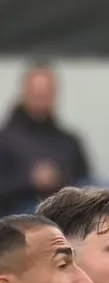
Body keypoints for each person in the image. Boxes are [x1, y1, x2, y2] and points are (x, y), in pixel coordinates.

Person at [0, 67, 90, 217]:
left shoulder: (69, 142)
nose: (41, 98)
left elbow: (85, 183)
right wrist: (29, 181)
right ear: (24, 92)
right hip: (16, 220)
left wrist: (59, 179)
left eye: (46, 93)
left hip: (66, 218)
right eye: (37, 93)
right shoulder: (4, 141)